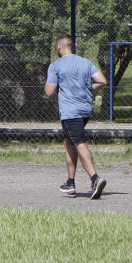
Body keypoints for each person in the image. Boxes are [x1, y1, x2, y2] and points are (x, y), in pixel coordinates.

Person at [44, 34, 108, 199]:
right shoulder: (85, 62)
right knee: (69, 142)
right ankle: (70, 182)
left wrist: (50, 89)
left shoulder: (56, 65)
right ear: (71, 46)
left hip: (70, 111)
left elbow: (49, 92)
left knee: (79, 143)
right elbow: (102, 81)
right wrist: (86, 88)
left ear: (59, 46)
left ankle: (95, 178)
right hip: (85, 109)